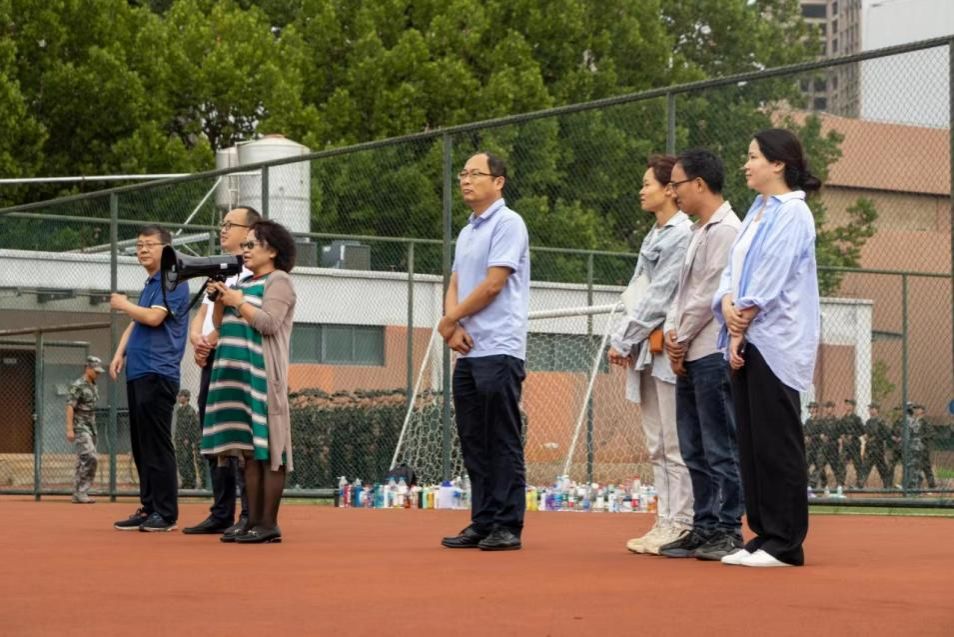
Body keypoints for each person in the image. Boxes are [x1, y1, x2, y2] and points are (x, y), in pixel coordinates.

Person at [713, 128, 821, 567]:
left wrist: (742, 321)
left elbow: (771, 276)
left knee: (777, 441)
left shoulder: (793, 213)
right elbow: (731, 274)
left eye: (753, 156)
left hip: (774, 341)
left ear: (777, 164)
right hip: (746, 337)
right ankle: (761, 534)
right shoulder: (757, 210)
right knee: (752, 443)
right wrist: (727, 306)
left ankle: (786, 542)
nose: (746, 164)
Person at [439, 152, 530, 552]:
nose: (466, 180)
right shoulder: (467, 231)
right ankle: (483, 519)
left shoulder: (509, 223)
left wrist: (451, 319)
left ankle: (508, 523)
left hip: (499, 347)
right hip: (468, 350)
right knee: (473, 438)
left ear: (499, 182)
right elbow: (457, 280)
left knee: (501, 437)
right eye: (463, 174)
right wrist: (452, 325)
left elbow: (494, 285)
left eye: (476, 174)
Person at [658, 148, 744, 561]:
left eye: (676, 183)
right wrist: (674, 337)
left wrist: (681, 337)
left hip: (711, 351)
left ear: (699, 184)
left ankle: (728, 528)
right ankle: (704, 524)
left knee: (719, 444)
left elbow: (711, 292)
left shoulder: (728, 230)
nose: (672, 191)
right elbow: (681, 294)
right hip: (689, 352)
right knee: (692, 446)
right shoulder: (697, 231)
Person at [608, 155, 693, 556]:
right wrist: (625, 336)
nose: (642, 191)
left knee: (675, 443)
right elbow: (637, 290)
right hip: (645, 347)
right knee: (657, 442)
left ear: (670, 190)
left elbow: (661, 296)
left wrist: (624, 337)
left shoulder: (681, 234)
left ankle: (683, 521)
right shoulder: (653, 234)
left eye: (649, 184)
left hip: (667, 347)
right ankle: (664, 518)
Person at [202, 219, 297, 544]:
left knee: (269, 451)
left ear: (271, 250)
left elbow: (269, 323)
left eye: (251, 245)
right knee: (248, 452)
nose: (245, 250)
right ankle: (252, 520)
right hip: (237, 377)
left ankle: (268, 523)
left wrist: (237, 301)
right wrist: (220, 299)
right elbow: (220, 323)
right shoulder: (243, 283)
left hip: (262, 377)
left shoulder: (279, 281)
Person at [182, 206, 259, 537]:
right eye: (222, 224)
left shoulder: (256, 272)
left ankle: (249, 512)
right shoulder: (221, 270)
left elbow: (242, 316)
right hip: (212, 356)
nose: (223, 230)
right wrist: (196, 337)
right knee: (212, 432)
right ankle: (221, 510)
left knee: (238, 436)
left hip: (236, 358)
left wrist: (212, 340)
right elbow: (204, 312)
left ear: (251, 231)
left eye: (231, 225)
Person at [110, 224, 190, 532]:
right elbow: (137, 320)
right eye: (139, 245)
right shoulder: (150, 283)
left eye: (150, 245)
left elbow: (155, 317)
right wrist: (120, 353)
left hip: (159, 371)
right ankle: (149, 507)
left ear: (166, 249)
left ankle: (166, 513)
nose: (143, 249)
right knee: (142, 444)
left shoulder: (173, 281)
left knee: (157, 443)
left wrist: (124, 304)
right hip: (139, 369)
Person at [66, 355, 106, 504]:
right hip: (80, 426)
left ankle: (79, 493)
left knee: (83, 460)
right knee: (91, 456)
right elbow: (70, 407)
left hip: (91, 428)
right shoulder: (78, 385)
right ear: (88, 368)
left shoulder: (93, 385)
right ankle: (82, 491)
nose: (98, 373)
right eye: (95, 371)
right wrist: (70, 429)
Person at [173, 389, 201, 490]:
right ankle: (185, 481)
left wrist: (187, 438)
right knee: (180, 461)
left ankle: (191, 481)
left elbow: (190, 426)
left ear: (187, 398)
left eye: (182, 396)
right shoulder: (179, 411)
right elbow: (178, 426)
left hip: (186, 440)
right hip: (179, 439)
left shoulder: (190, 410)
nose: (179, 398)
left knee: (187, 460)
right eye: (179, 396)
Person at [860, 402, 892, 488]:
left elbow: (887, 434)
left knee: (882, 468)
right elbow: (865, 433)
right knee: (865, 467)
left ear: (877, 410)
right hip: (869, 448)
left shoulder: (881, 421)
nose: (870, 411)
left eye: (872, 409)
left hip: (878, 449)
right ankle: (861, 484)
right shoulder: (868, 422)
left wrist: (876, 437)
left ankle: (887, 485)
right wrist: (866, 436)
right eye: (870, 409)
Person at [817, 400, 845, 489]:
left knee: (835, 466)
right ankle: (824, 482)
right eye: (827, 407)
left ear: (833, 409)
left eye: (830, 407)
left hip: (833, 445)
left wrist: (840, 445)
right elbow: (819, 432)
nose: (828, 409)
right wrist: (821, 436)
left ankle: (839, 484)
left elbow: (841, 434)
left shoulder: (837, 421)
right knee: (820, 465)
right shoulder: (822, 421)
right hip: (824, 446)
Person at [909, 403, 937, 489]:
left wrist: (921, 438)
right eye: (915, 409)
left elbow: (932, 434)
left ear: (922, 411)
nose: (916, 410)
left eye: (918, 408)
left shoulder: (925, 423)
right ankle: (930, 485)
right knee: (921, 467)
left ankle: (926, 486)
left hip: (923, 449)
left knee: (924, 467)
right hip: (914, 448)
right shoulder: (913, 422)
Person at [839, 398, 866, 489]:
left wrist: (853, 435)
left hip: (854, 445)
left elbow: (862, 431)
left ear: (853, 406)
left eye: (849, 404)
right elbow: (839, 430)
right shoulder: (843, 418)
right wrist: (842, 436)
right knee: (842, 463)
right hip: (846, 445)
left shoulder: (857, 418)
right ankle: (841, 483)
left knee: (858, 464)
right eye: (846, 404)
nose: (847, 406)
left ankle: (860, 483)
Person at [804, 401, 823, 489]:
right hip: (809, 447)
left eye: (812, 408)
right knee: (805, 464)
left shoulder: (820, 421)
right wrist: (806, 437)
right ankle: (809, 482)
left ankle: (813, 482)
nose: (810, 409)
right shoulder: (807, 421)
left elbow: (822, 434)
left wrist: (813, 437)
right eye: (809, 408)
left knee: (819, 465)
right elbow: (805, 432)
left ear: (816, 409)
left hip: (818, 446)